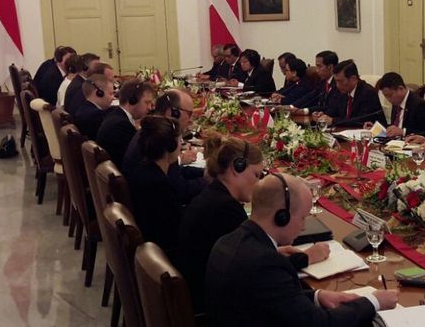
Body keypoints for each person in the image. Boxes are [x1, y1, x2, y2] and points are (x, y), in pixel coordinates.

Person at [206, 172, 398, 326]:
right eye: (302, 218)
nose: (304, 227)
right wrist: (374, 302)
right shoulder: (265, 264)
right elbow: (319, 323)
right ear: (282, 216)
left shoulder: (227, 241)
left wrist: (318, 296)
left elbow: (274, 297)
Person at [178, 135, 330, 312]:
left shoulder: (214, 196)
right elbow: (254, 270)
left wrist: (272, 250)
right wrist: (307, 257)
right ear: (237, 167)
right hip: (210, 306)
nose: (258, 183)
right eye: (256, 175)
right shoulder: (225, 209)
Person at [122, 89, 205, 203]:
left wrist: (205, 173)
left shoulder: (151, 131)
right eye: (189, 114)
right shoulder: (158, 139)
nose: (191, 121)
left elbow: (176, 172)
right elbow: (181, 190)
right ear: (173, 112)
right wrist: (210, 182)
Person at [127, 116, 185, 258]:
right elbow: (175, 227)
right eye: (179, 140)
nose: (182, 143)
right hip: (165, 255)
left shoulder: (145, 169)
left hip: (155, 247)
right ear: (170, 146)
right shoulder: (157, 184)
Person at [96, 79, 154, 169]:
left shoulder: (115, 115)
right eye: (147, 102)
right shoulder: (121, 126)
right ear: (132, 100)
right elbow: (138, 161)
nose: (150, 108)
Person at [314, 59, 384, 127]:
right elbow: (334, 110)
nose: (337, 85)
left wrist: (333, 121)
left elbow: (360, 120)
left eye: (340, 81)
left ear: (353, 79)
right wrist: (323, 115)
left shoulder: (367, 93)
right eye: (336, 81)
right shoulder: (343, 91)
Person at [372, 72, 425, 139]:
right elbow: (395, 126)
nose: (388, 100)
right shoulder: (396, 103)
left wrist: (403, 132)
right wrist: (377, 128)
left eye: (390, 95)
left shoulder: (419, 105)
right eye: (386, 96)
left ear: (400, 89)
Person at [73, 74, 114, 140]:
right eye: (110, 94)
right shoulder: (95, 116)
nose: (113, 97)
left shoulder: (84, 108)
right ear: (99, 93)